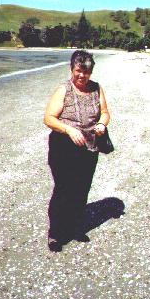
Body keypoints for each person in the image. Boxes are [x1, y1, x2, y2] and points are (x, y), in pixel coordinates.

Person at [44, 50, 110, 252]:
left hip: (89, 147)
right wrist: (69, 129)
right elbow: (49, 118)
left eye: (86, 72)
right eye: (78, 71)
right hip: (63, 146)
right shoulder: (64, 89)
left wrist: (101, 124)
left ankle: (74, 227)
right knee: (63, 188)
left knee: (81, 189)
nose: (82, 75)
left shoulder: (97, 89)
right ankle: (55, 233)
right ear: (72, 68)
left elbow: (105, 113)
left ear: (91, 71)